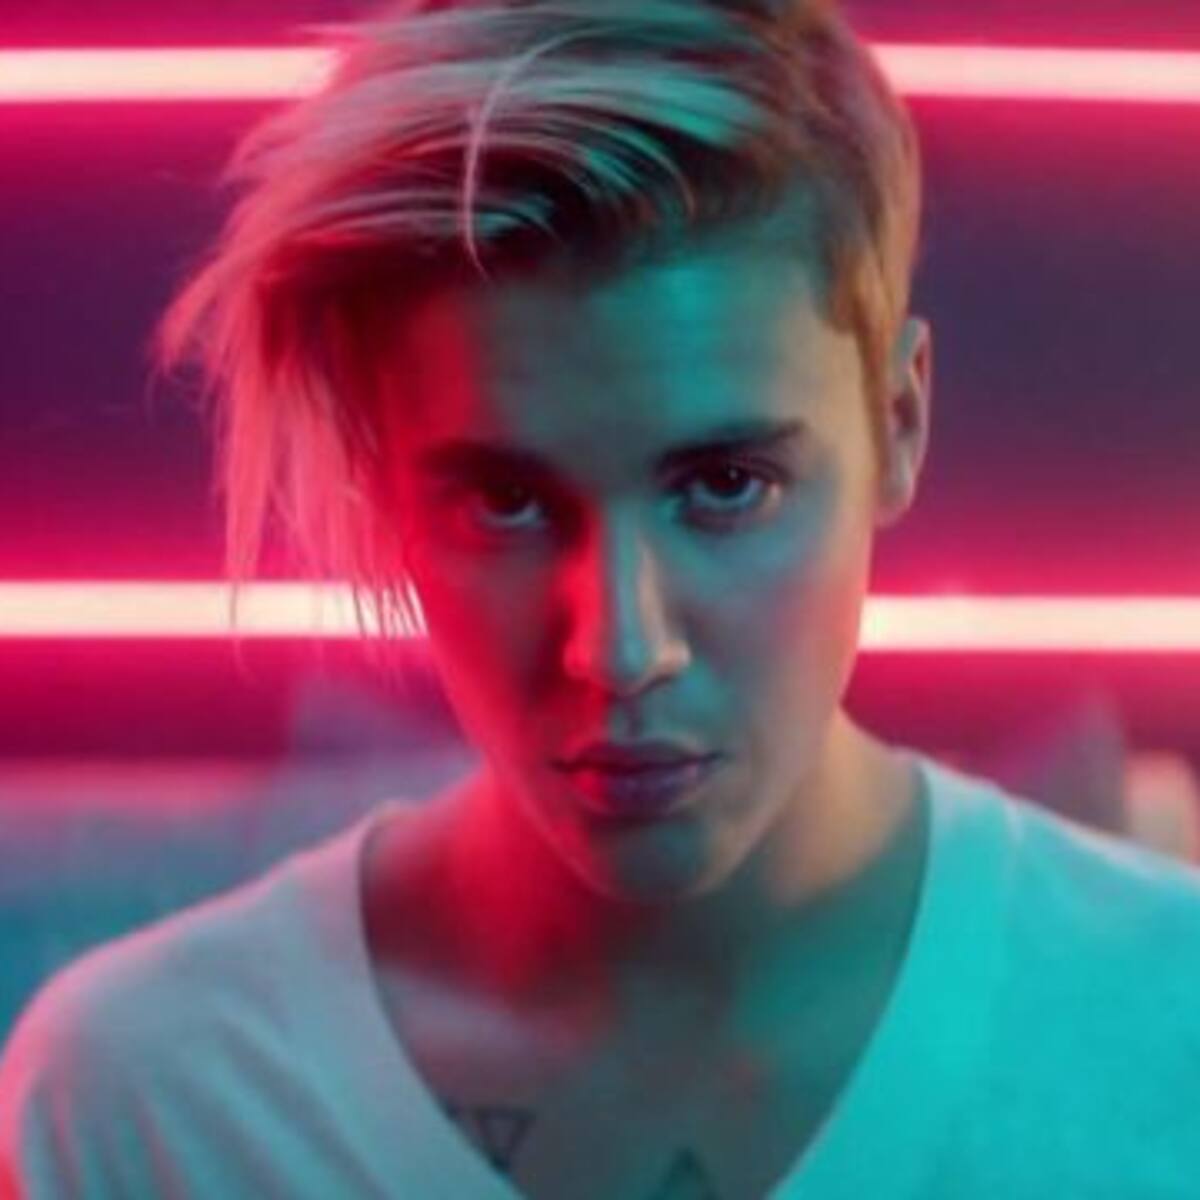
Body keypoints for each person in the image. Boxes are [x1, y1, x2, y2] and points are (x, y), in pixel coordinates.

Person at [3, 0, 1199, 1195]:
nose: (622, 649)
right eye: (505, 503)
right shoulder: (146, 1103)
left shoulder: (1169, 1025)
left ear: (900, 423)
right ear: (385, 484)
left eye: (727, 486)